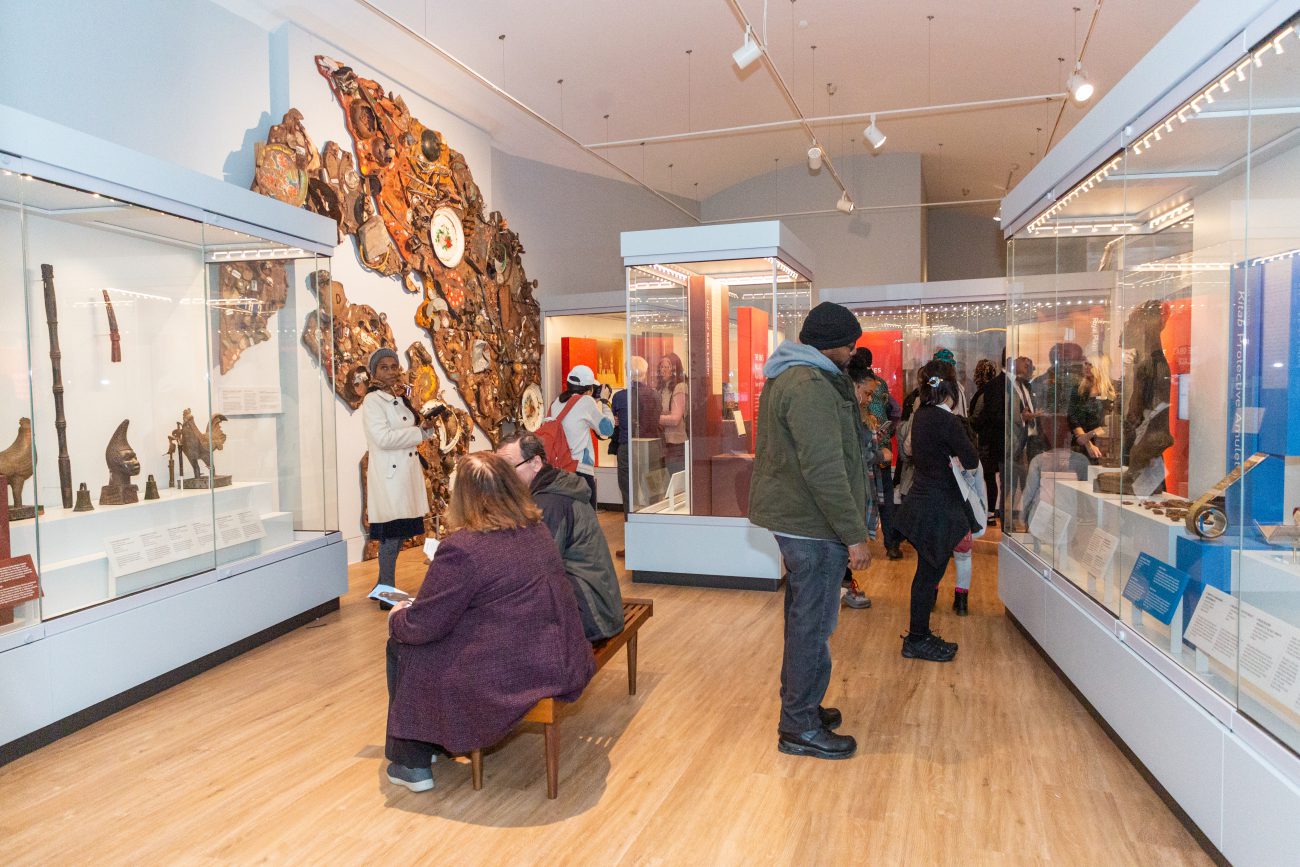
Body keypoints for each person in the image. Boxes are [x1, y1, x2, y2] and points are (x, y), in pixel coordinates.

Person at [383, 452, 596, 793]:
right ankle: (433, 742)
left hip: (516, 670)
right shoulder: (535, 529)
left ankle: (412, 760)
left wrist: (398, 617)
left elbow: (426, 624)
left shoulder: (464, 548)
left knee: (404, 645)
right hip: (559, 656)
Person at [749, 302, 871, 761]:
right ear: (831, 344)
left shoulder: (799, 377)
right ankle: (798, 725)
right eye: (850, 342)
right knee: (812, 626)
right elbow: (824, 469)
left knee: (807, 621)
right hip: (814, 526)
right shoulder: (809, 385)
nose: (854, 350)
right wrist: (853, 534)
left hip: (806, 523)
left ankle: (803, 709)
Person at [497, 432, 624, 642]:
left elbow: (536, 568)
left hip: (592, 614)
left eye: (508, 467)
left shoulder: (550, 503)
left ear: (536, 462)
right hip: (600, 602)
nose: (503, 477)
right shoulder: (555, 488)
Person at [894, 359, 980, 662]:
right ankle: (917, 639)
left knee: (926, 576)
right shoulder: (947, 421)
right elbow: (970, 459)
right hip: (938, 509)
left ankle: (920, 635)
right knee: (927, 577)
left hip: (922, 504)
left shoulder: (922, 416)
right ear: (951, 389)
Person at [362, 348, 440, 609]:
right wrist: (418, 432)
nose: (391, 371)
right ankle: (387, 593)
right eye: (384, 367)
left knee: (400, 531)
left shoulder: (398, 397)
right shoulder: (372, 402)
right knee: (391, 534)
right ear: (374, 372)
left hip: (403, 475)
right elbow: (382, 439)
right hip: (390, 476)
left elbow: (406, 431)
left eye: (394, 366)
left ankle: (381, 586)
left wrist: (425, 431)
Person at [844, 347, 890, 609]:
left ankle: (844, 585)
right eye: (867, 393)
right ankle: (844, 587)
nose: (868, 399)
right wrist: (878, 455)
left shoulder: (857, 412)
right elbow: (854, 456)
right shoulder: (845, 414)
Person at [609, 356, 660, 557]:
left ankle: (633, 543)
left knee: (629, 495)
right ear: (646, 372)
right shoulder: (655, 395)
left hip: (627, 448)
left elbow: (616, 423)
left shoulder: (620, 397)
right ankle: (654, 541)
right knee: (653, 494)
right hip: (651, 446)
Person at [550, 364, 615, 508]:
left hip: (558, 471)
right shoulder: (586, 402)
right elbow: (607, 429)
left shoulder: (556, 403)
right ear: (589, 389)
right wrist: (604, 402)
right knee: (587, 521)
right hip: (580, 472)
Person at [1023, 414, 1090, 524]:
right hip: (1067, 520)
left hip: (1044, 519)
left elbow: (1029, 494)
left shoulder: (1038, 461)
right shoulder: (1081, 461)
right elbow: (1086, 498)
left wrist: (1024, 516)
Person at [970, 356, 1007, 526]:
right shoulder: (998, 390)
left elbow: (979, 418)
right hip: (993, 440)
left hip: (984, 441)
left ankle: (986, 512)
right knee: (991, 477)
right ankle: (991, 512)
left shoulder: (984, 393)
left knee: (986, 476)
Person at [656, 352, 688, 482]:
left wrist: (654, 418)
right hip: (662, 443)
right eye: (661, 367)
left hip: (676, 444)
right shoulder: (661, 388)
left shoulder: (680, 387)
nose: (663, 370)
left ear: (675, 369)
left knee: (676, 485)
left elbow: (675, 419)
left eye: (667, 367)